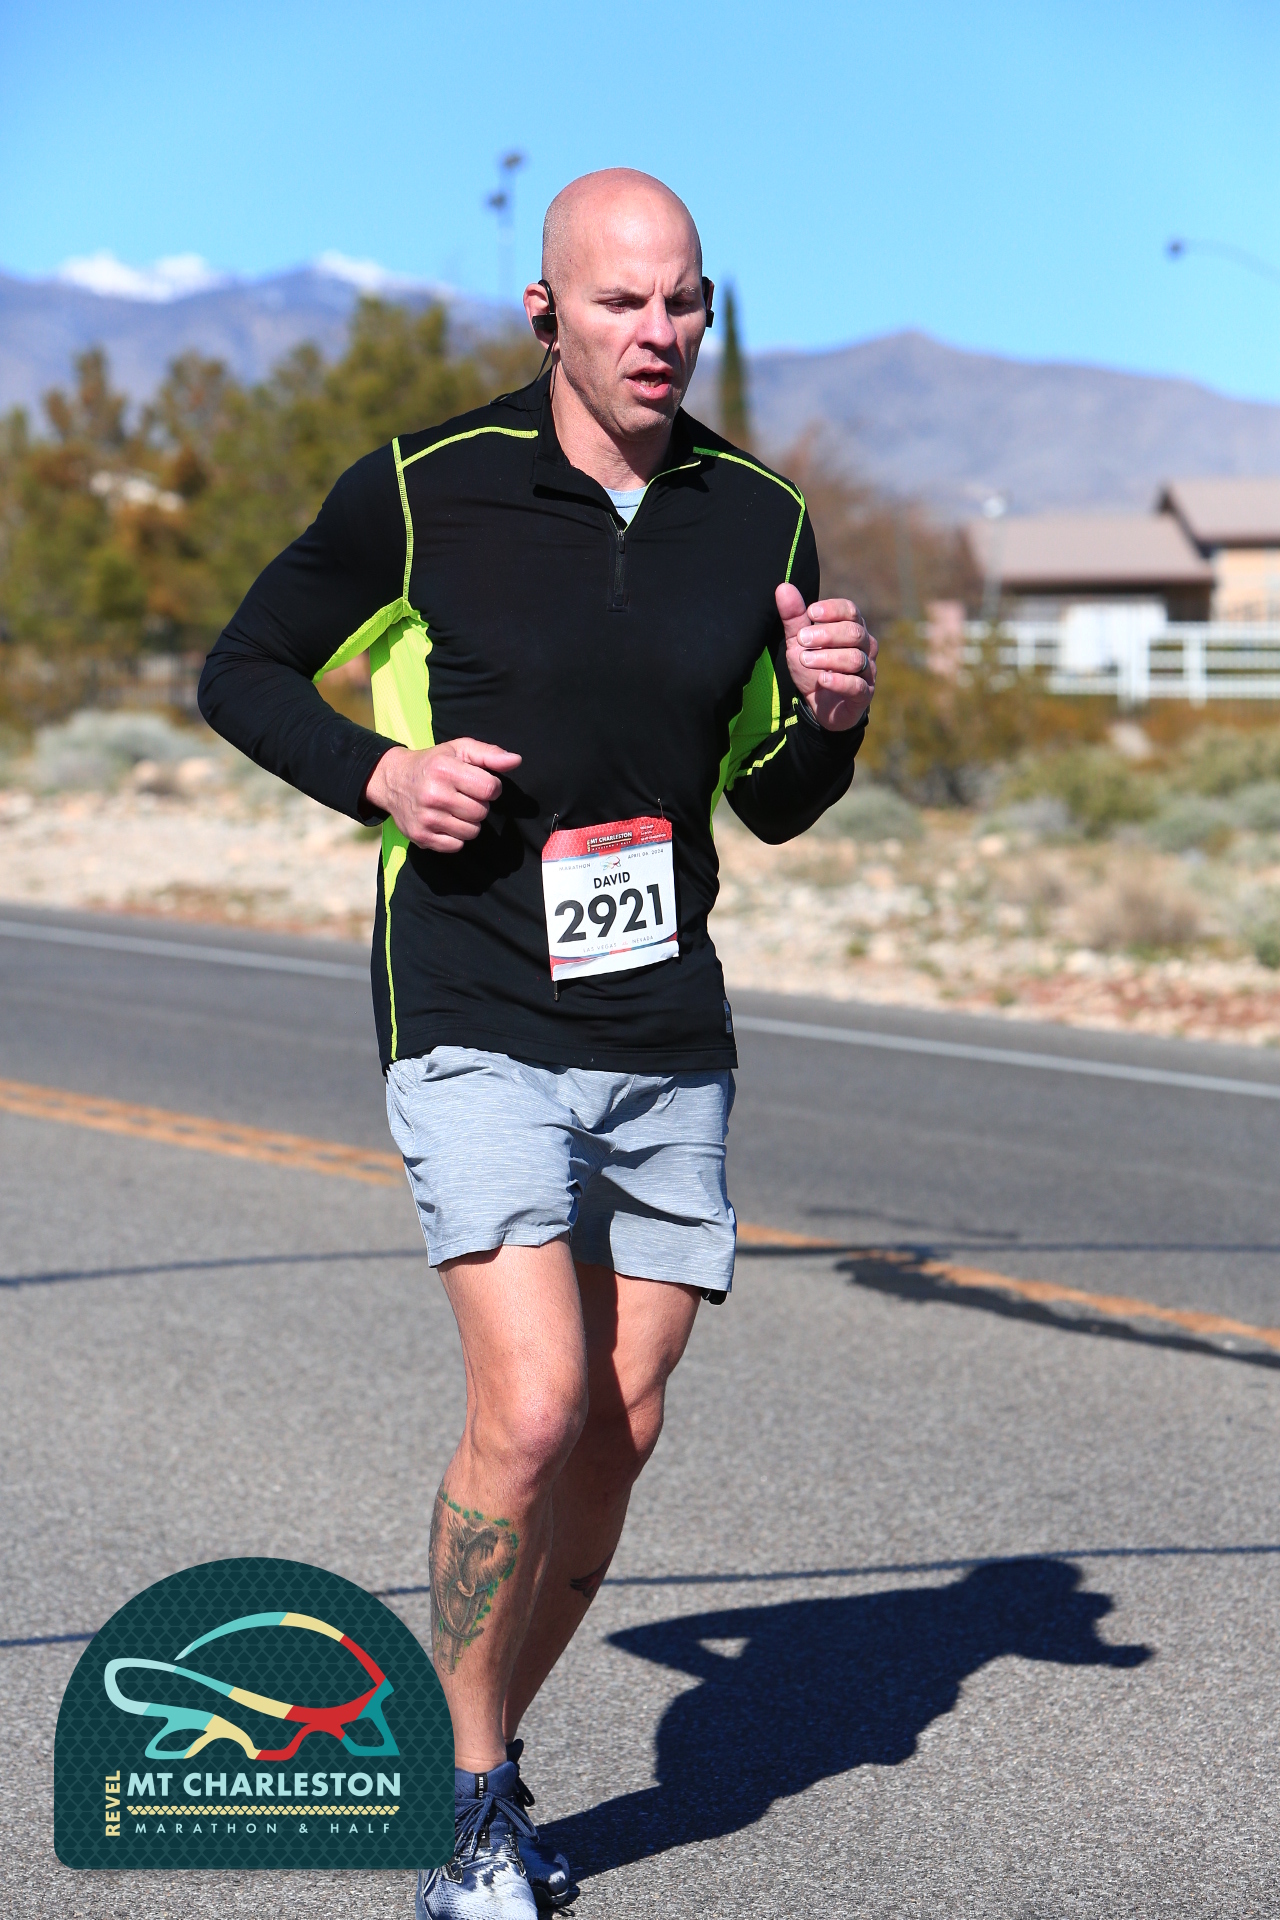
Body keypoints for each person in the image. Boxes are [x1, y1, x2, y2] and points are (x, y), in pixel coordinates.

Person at [198, 167, 876, 1917]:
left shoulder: (761, 517)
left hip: (667, 1020)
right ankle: (470, 1803)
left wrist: (832, 724)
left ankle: (480, 1756)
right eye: (620, 300)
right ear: (545, 312)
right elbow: (243, 668)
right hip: (474, 999)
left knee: (618, 1433)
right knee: (538, 1403)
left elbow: (773, 800)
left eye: (684, 302)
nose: (657, 333)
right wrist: (382, 773)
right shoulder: (426, 490)